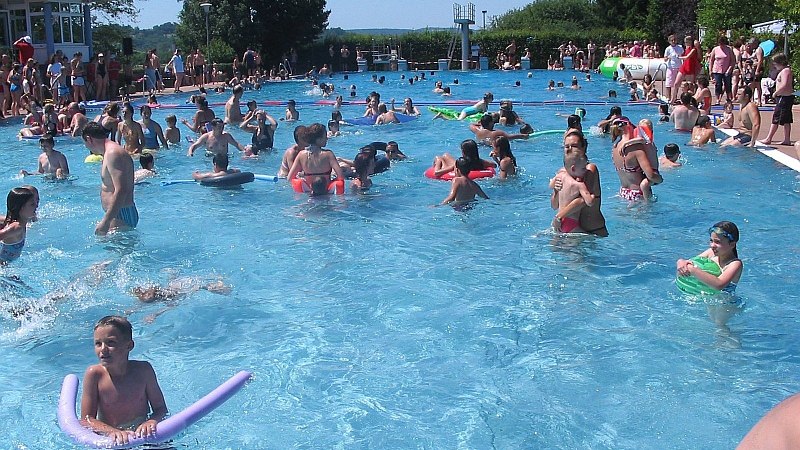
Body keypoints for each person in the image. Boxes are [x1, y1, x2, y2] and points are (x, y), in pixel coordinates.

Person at [80, 316, 167, 445]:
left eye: (110, 343)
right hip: (113, 440)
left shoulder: (144, 371)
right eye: (98, 343)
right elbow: (86, 419)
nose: (103, 349)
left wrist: (151, 422)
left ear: (129, 345)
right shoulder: (94, 375)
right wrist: (112, 432)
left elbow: (160, 409)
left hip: (144, 435)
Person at [82, 122, 137, 235]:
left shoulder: (113, 153)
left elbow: (121, 190)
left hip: (120, 214)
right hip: (118, 213)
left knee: (120, 252)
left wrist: (106, 222)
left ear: (89, 139)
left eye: (85, 143)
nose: (86, 147)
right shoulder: (109, 152)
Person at [676, 221, 743, 294]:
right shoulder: (711, 253)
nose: (712, 245)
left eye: (717, 242)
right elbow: (692, 262)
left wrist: (693, 270)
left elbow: (719, 285)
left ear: (732, 244)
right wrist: (681, 262)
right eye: (711, 241)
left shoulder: (735, 264)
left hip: (725, 303)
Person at [611, 117, 662, 202]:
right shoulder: (636, 148)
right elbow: (651, 176)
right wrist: (660, 179)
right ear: (628, 125)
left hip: (623, 193)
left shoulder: (615, 147)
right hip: (638, 195)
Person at [287, 122, 344, 195]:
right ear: (318, 139)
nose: (327, 139)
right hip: (327, 192)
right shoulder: (328, 154)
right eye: (325, 137)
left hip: (308, 192)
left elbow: (290, 178)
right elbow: (341, 176)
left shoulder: (301, 155)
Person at [550, 151, 594, 233]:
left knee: (556, 243)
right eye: (583, 168)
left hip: (560, 221)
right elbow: (589, 202)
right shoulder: (579, 185)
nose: (585, 171)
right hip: (571, 223)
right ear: (573, 168)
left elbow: (550, 185)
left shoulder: (559, 176)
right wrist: (592, 196)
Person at [758, 53, 794, 146]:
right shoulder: (785, 70)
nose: (774, 66)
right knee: (786, 119)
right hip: (785, 97)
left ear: (780, 62)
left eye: (775, 63)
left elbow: (785, 84)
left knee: (776, 118)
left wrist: (776, 92)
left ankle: (769, 138)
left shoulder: (785, 71)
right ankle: (787, 139)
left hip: (783, 97)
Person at [0, 187, 38, 264]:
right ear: (21, 207)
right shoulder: (17, 227)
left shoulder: (17, 221)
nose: (36, 206)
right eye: (32, 204)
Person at [710, 36, 735, 105]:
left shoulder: (729, 49)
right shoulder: (715, 49)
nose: (721, 45)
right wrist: (710, 70)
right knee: (718, 85)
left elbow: (733, 60)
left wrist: (730, 69)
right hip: (717, 70)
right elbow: (711, 60)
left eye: (722, 43)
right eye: (720, 43)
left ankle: (729, 98)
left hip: (726, 69)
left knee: (728, 84)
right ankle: (718, 99)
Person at [663, 34, 684, 102]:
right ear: (669, 41)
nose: (674, 41)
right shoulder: (668, 49)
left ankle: (674, 97)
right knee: (669, 83)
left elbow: (683, 56)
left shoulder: (680, 48)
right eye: (672, 40)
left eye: (674, 40)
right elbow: (665, 59)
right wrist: (668, 57)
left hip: (678, 67)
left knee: (677, 83)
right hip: (671, 67)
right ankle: (668, 97)